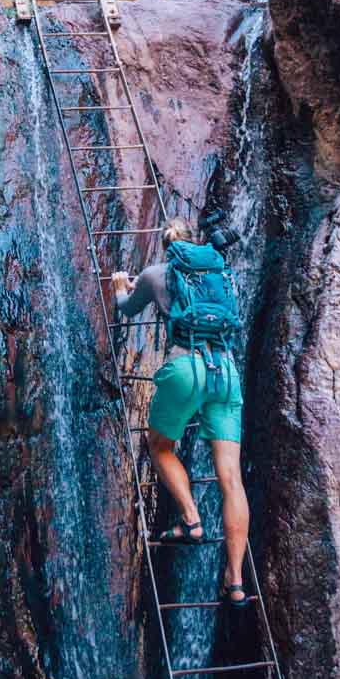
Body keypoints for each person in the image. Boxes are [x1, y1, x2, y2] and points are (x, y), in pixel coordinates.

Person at [109, 221, 249, 603]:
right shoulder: (222, 273)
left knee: (160, 446)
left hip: (187, 368)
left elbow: (125, 309)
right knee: (231, 480)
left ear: (167, 246)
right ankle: (235, 581)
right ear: (195, 243)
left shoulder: (158, 273)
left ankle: (191, 520)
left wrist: (122, 284)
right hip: (226, 371)